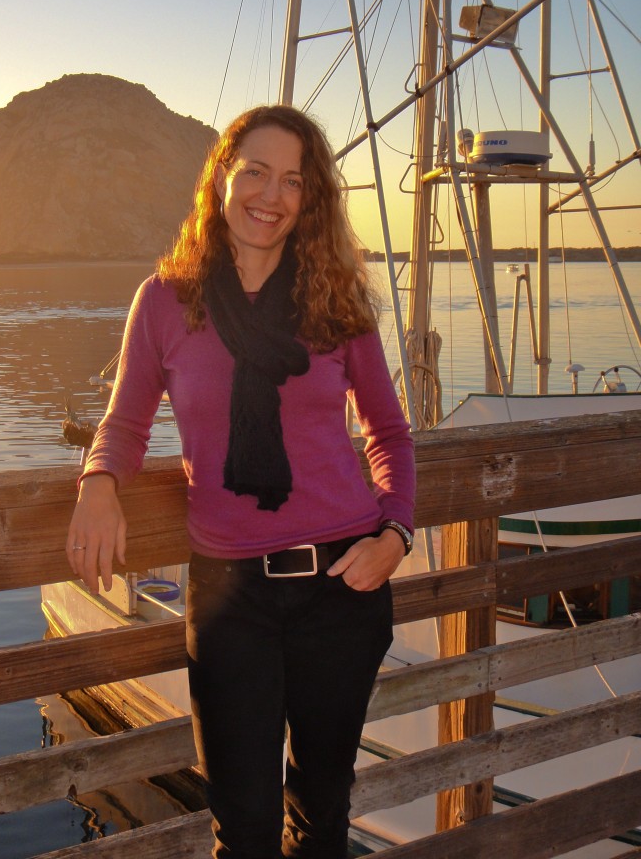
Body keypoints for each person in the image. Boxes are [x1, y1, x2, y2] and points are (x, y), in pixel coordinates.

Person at [66, 104, 416, 859]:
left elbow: (388, 432)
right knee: (245, 826)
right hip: (231, 597)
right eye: (255, 169)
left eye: (293, 179)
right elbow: (126, 423)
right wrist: (99, 482)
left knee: (322, 816)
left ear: (309, 199)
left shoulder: (338, 301)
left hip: (342, 586)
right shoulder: (166, 299)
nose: (272, 193)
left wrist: (396, 532)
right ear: (221, 177)